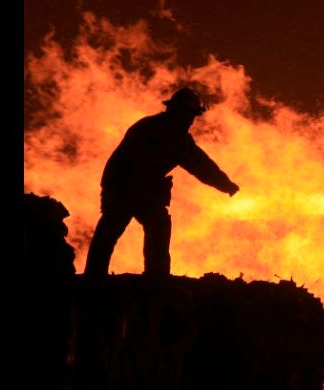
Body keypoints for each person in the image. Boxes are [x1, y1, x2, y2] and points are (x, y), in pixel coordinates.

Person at [84, 87, 239, 276]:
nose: (192, 120)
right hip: (134, 188)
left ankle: (94, 276)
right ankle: (156, 279)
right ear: (183, 113)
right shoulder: (175, 135)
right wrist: (225, 185)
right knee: (156, 227)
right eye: (191, 114)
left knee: (109, 230)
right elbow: (200, 165)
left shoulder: (147, 125)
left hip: (119, 185)